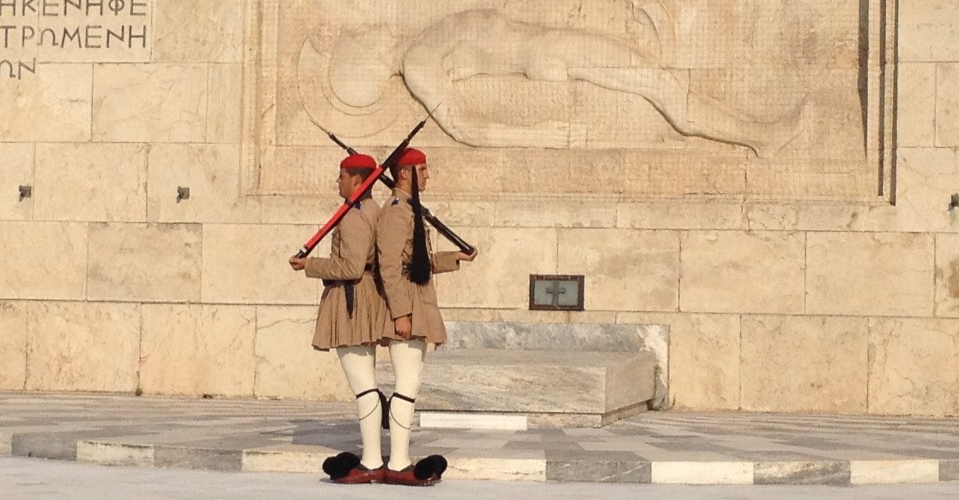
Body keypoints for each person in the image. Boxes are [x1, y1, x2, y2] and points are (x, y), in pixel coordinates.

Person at [321, 8, 808, 158]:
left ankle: (759, 136)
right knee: (660, 85)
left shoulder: (422, 45)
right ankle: (761, 137)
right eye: (357, 39)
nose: (363, 28)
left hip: (549, 47)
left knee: (656, 83)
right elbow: (466, 128)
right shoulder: (420, 62)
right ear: (367, 58)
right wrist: (537, 136)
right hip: (549, 50)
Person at [376, 147, 477, 486]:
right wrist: (400, 314)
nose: (428, 175)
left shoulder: (408, 209)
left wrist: (455, 258)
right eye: (422, 169)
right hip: (407, 304)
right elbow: (390, 268)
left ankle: (399, 458)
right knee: (406, 383)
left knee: (411, 383)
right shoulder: (394, 212)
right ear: (404, 173)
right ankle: (399, 461)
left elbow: (418, 260)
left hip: (417, 301)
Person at [288, 153, 390, 484]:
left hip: (353, 301)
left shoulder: (356, 216)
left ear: (358, 181)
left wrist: (311, 266)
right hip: (361, 298)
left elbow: (350, 267)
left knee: (363, 387)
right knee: (366, 384)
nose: (338, 181)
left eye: (342, 176)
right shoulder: (368, 210)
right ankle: (374, 453)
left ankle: (372, 460)